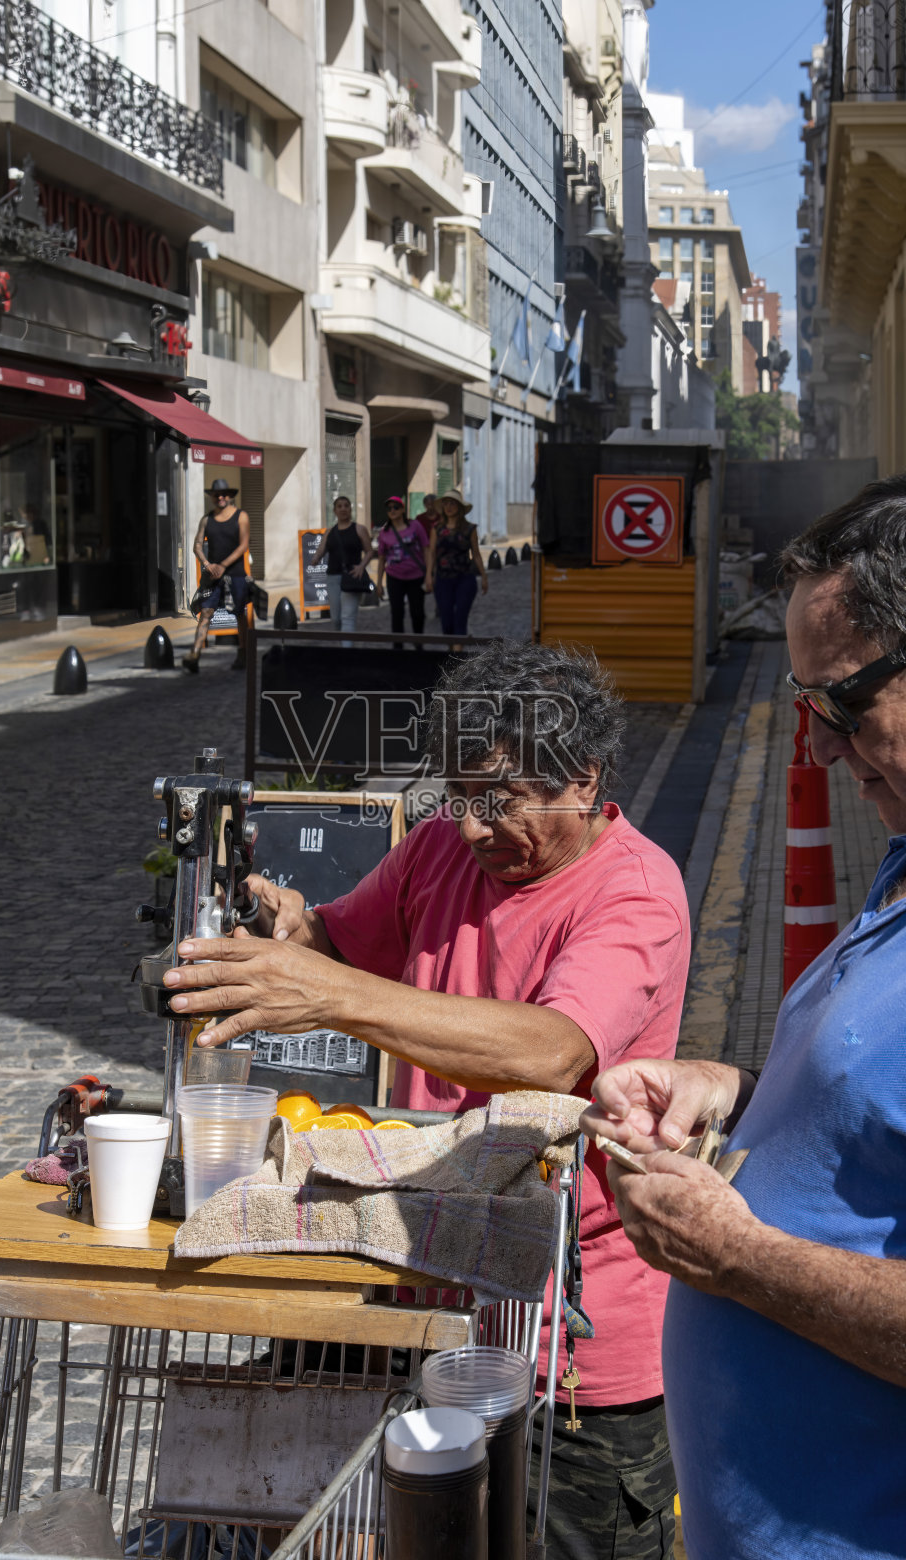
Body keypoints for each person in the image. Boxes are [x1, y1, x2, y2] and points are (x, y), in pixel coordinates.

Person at [161, 641, 691, 1559]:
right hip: (421, 1298)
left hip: (565, 1347)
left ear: (582, 778)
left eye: (498, 799)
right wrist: (295, 932)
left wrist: (326, 993)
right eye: (457, 796)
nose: (472, 827)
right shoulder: (442, 846)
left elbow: (552, 1050)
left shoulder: (634, 894)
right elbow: (343, 944)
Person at [581, 467, 906, 1560]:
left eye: (844, 702)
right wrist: (730, 1091)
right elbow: (894, 1122)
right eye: (805, 706)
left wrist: (737, 1258)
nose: (823, 745)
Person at [183, 479, 250, 675]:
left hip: (235, 574)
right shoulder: (207, 519)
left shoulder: (241, 516)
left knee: (239, 613)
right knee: (205, 612)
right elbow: (197, 545)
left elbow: (243, 545)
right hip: (213, 576)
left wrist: (223, 565)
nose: (220, 497)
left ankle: (243, 653)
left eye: (224, 494)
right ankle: (195, 654)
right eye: (216, 494)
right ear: (211, 497)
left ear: (230, 496)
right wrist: (207, 564)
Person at [425, 489, 488, 647]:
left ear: (459, 507)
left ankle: (457, 656)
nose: (449, 507)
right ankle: (452, 651)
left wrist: (484, 576)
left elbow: (476, 554)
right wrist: (429, 575)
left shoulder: (470, 529)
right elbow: (432, 553)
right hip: (443, 579)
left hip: (465, 579)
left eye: (452, 503)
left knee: (460, 618)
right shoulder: (437, 529)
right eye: (446, 503)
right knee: (446, 620)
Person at [313, 496, 372, 646]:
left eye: (346, 505)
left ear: (350, 509)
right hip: (333, 578)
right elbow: (321, 550)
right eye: (339, 506)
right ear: (335, 511)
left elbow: (370, 551)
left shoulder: (359, 529)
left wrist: (361, 566)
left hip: (351, 577)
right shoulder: (330, 532)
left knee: (348, 617)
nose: (343, 509)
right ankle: (342, 645)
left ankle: (346, 651)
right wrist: (316, 559)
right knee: (336, 619)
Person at [375, 494, 428, 645]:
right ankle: (398, 647)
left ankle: (418, 644)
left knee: (417, 613)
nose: (392, 510)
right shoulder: (384, 532)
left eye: (396, 507)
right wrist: (379, 583)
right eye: (389, 508)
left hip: (416, 576)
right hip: (394, 577)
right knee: (397, 613)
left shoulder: (415, 526)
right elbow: (381, 559)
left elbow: (426, 549)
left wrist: (429, 575)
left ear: (403, 509)